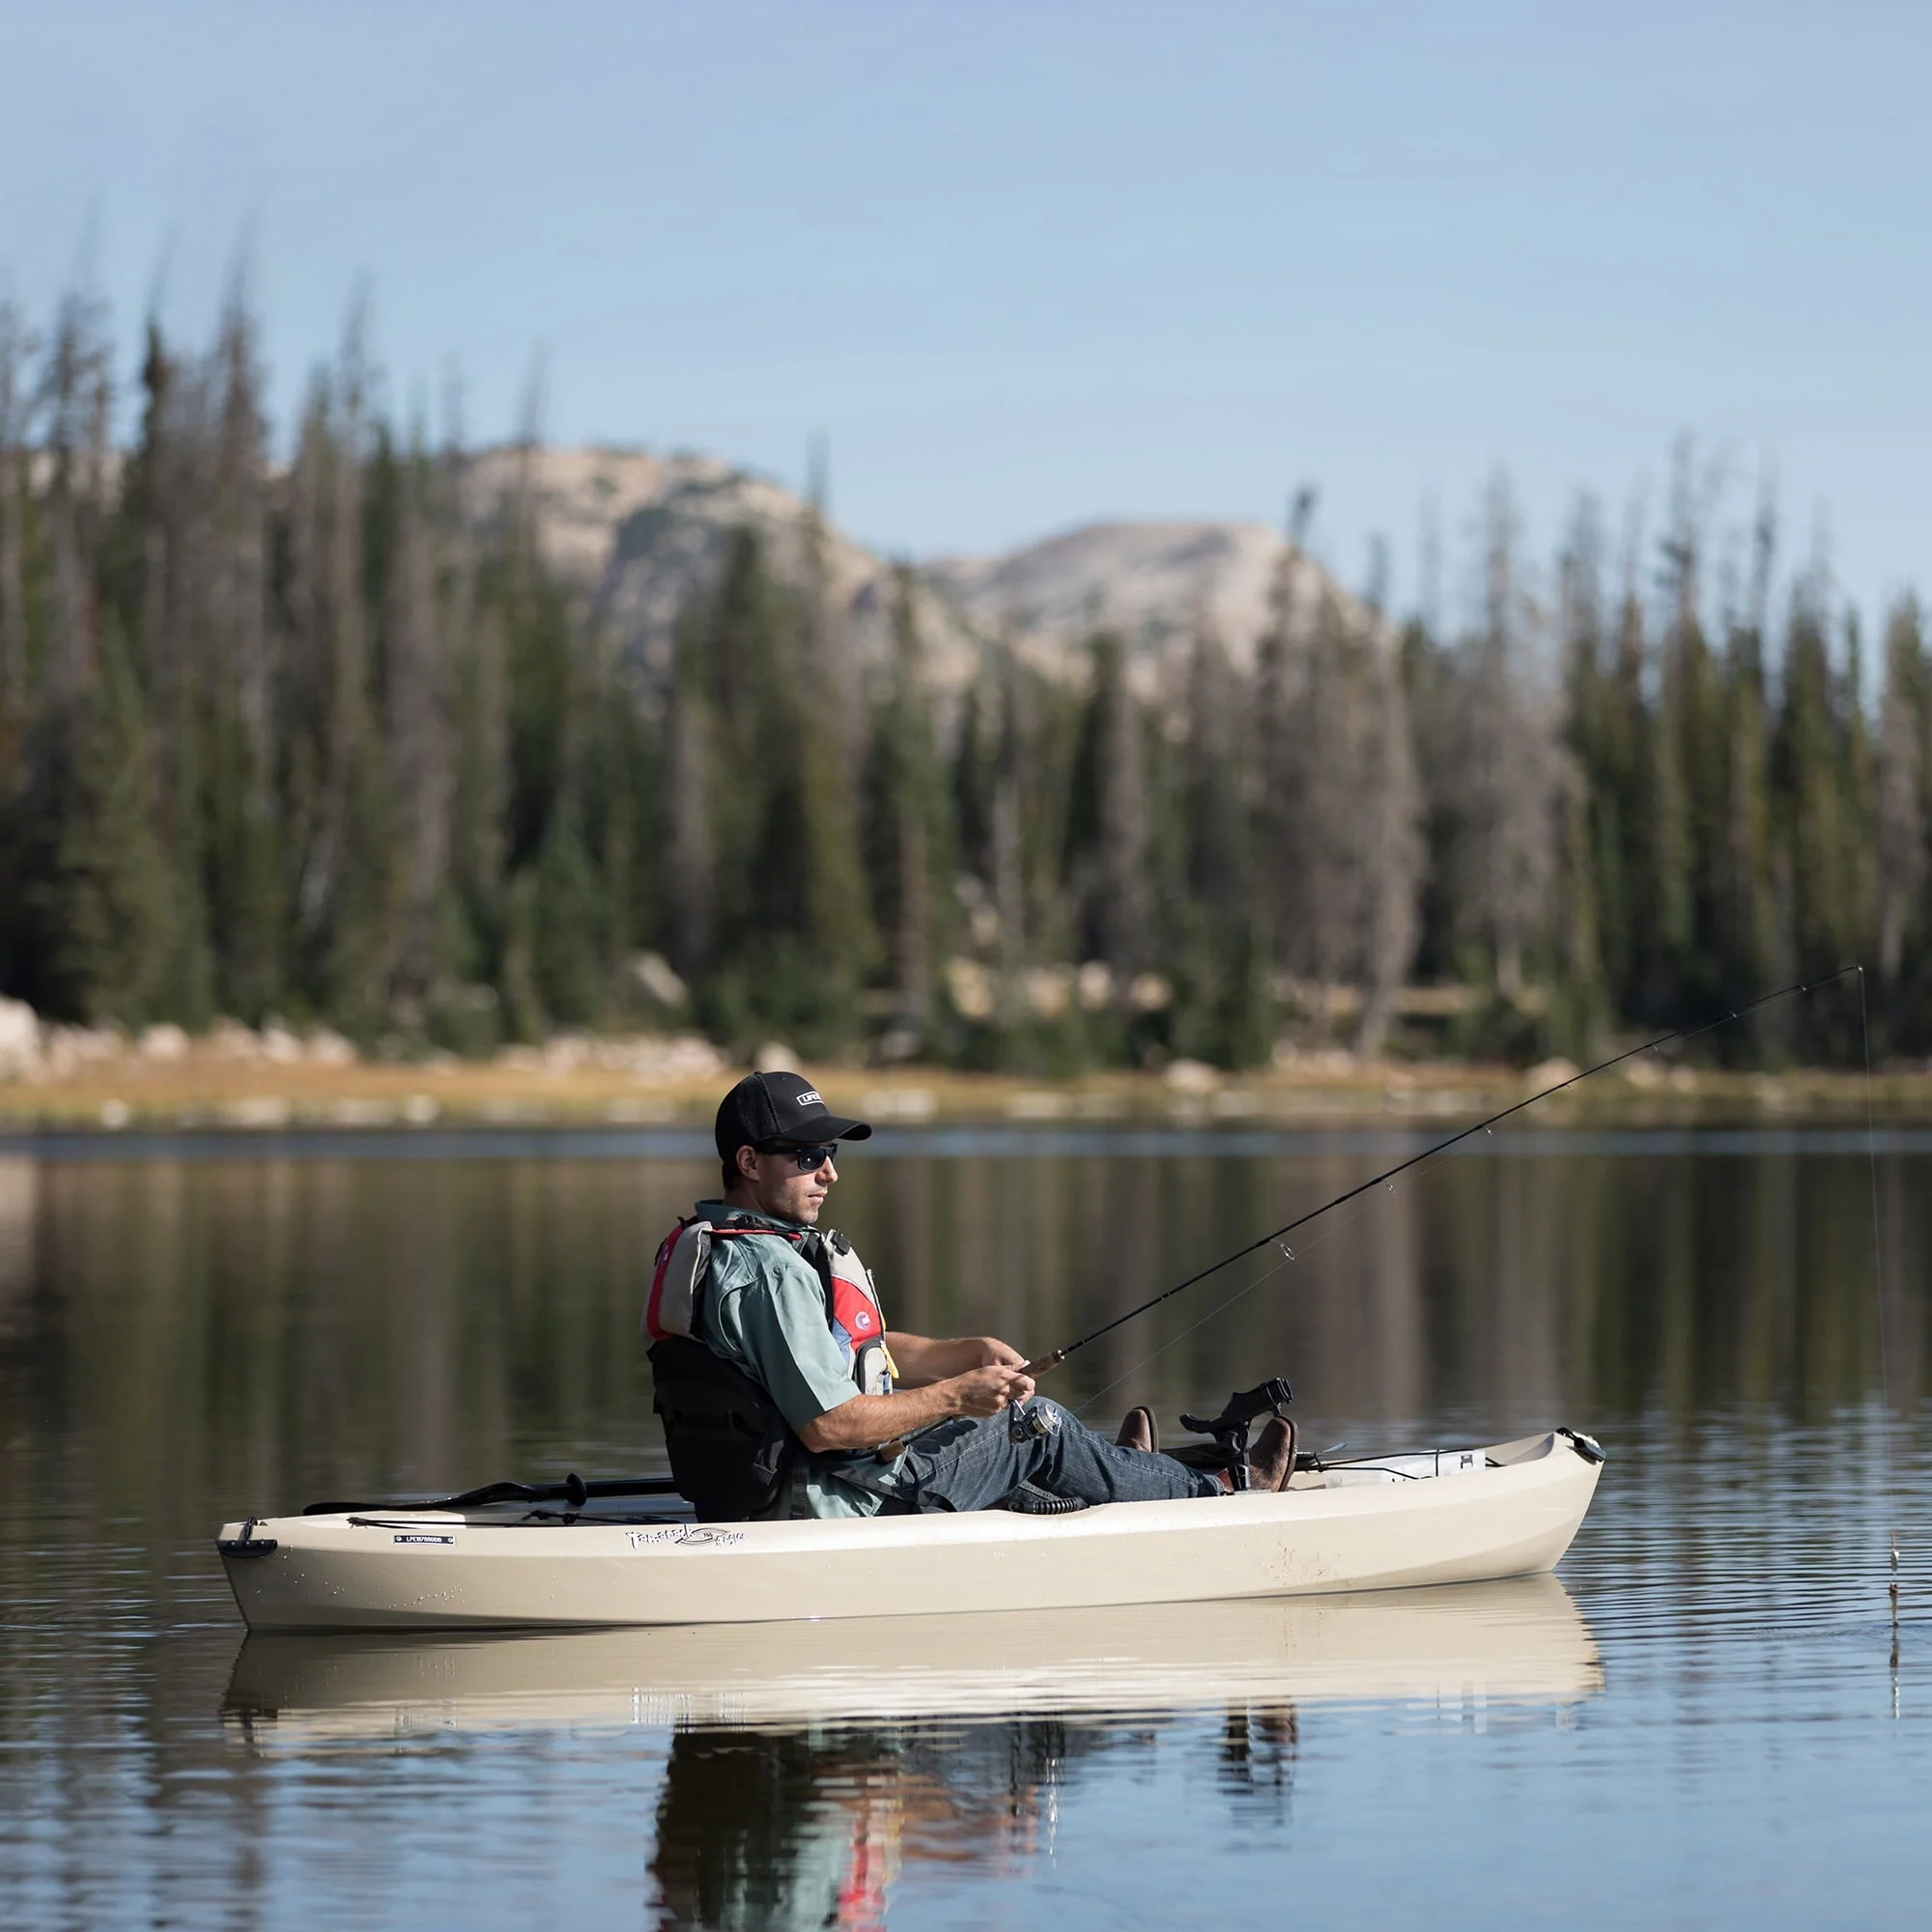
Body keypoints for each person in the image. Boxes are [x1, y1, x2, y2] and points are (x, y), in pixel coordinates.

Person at [650, 1069, 1294, 1520]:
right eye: (806, 1155)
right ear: (749, 1162)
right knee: (1036, 1427)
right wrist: (956, 1395)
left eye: (830, 1151)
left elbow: (827, 1351)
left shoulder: (714, 1246)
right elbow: (828, 1426)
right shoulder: (771, 1271)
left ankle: (1120, 1475)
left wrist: (958, 1355)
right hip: (838, 1497)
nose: (830, 1171)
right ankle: (1225, 1491)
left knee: (1017, 1446)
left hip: (774, 1487)